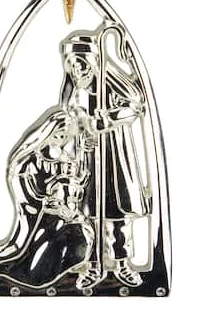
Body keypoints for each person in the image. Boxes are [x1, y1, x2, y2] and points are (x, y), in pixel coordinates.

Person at [59, 24, 151, 289]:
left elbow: (136, 105)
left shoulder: (108, 82)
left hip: (114, 156)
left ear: (91, 61)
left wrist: (109, 119)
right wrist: (80, 135)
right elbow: (68, 121)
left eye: (80, 64)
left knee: (116, 212)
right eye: (71, 65)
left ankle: (121, 263)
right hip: (87, 158)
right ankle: (92, 265)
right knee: (88, 214)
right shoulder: (74, 91)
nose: (77, 71)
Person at [0, 106, 94, 289]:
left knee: (80, 232)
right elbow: (28, 194)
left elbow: (77, 183)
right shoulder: (27, 162)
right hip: (36, 215)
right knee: (19, 248)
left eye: (66, 135)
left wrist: (83, 157)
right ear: (47, 132)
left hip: (61, 214)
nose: (63, 139)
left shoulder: (64, 159)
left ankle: (64, 270)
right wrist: (51, 201)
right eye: (59, 134)